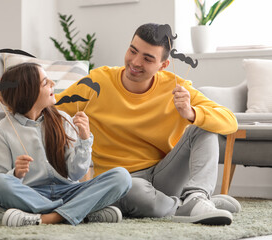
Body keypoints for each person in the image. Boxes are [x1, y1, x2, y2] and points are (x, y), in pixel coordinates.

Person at [55, 23, 240, 225]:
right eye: (133, 51)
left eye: (147, 58)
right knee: (131, 189)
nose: (135, 62)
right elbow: (52, 106)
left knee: (204, 127)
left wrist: (191, 112)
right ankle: (192, 204)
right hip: (122, 181)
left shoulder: (176, 87)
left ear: (163, 65)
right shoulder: (96, 83)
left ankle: (196, 197)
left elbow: (230, 121)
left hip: (165, 175)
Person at [0, 62, 132, 227]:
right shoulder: (3, 130)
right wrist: (16, 174)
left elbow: (76, 174)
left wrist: (85, 139)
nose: (53, 84)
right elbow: (0, 178)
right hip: (32, 195)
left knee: (122, 177)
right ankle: (81, 212)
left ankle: (47, 218)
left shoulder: (63, 120)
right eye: (45, 82)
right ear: (28, 93)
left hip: (70, 192)